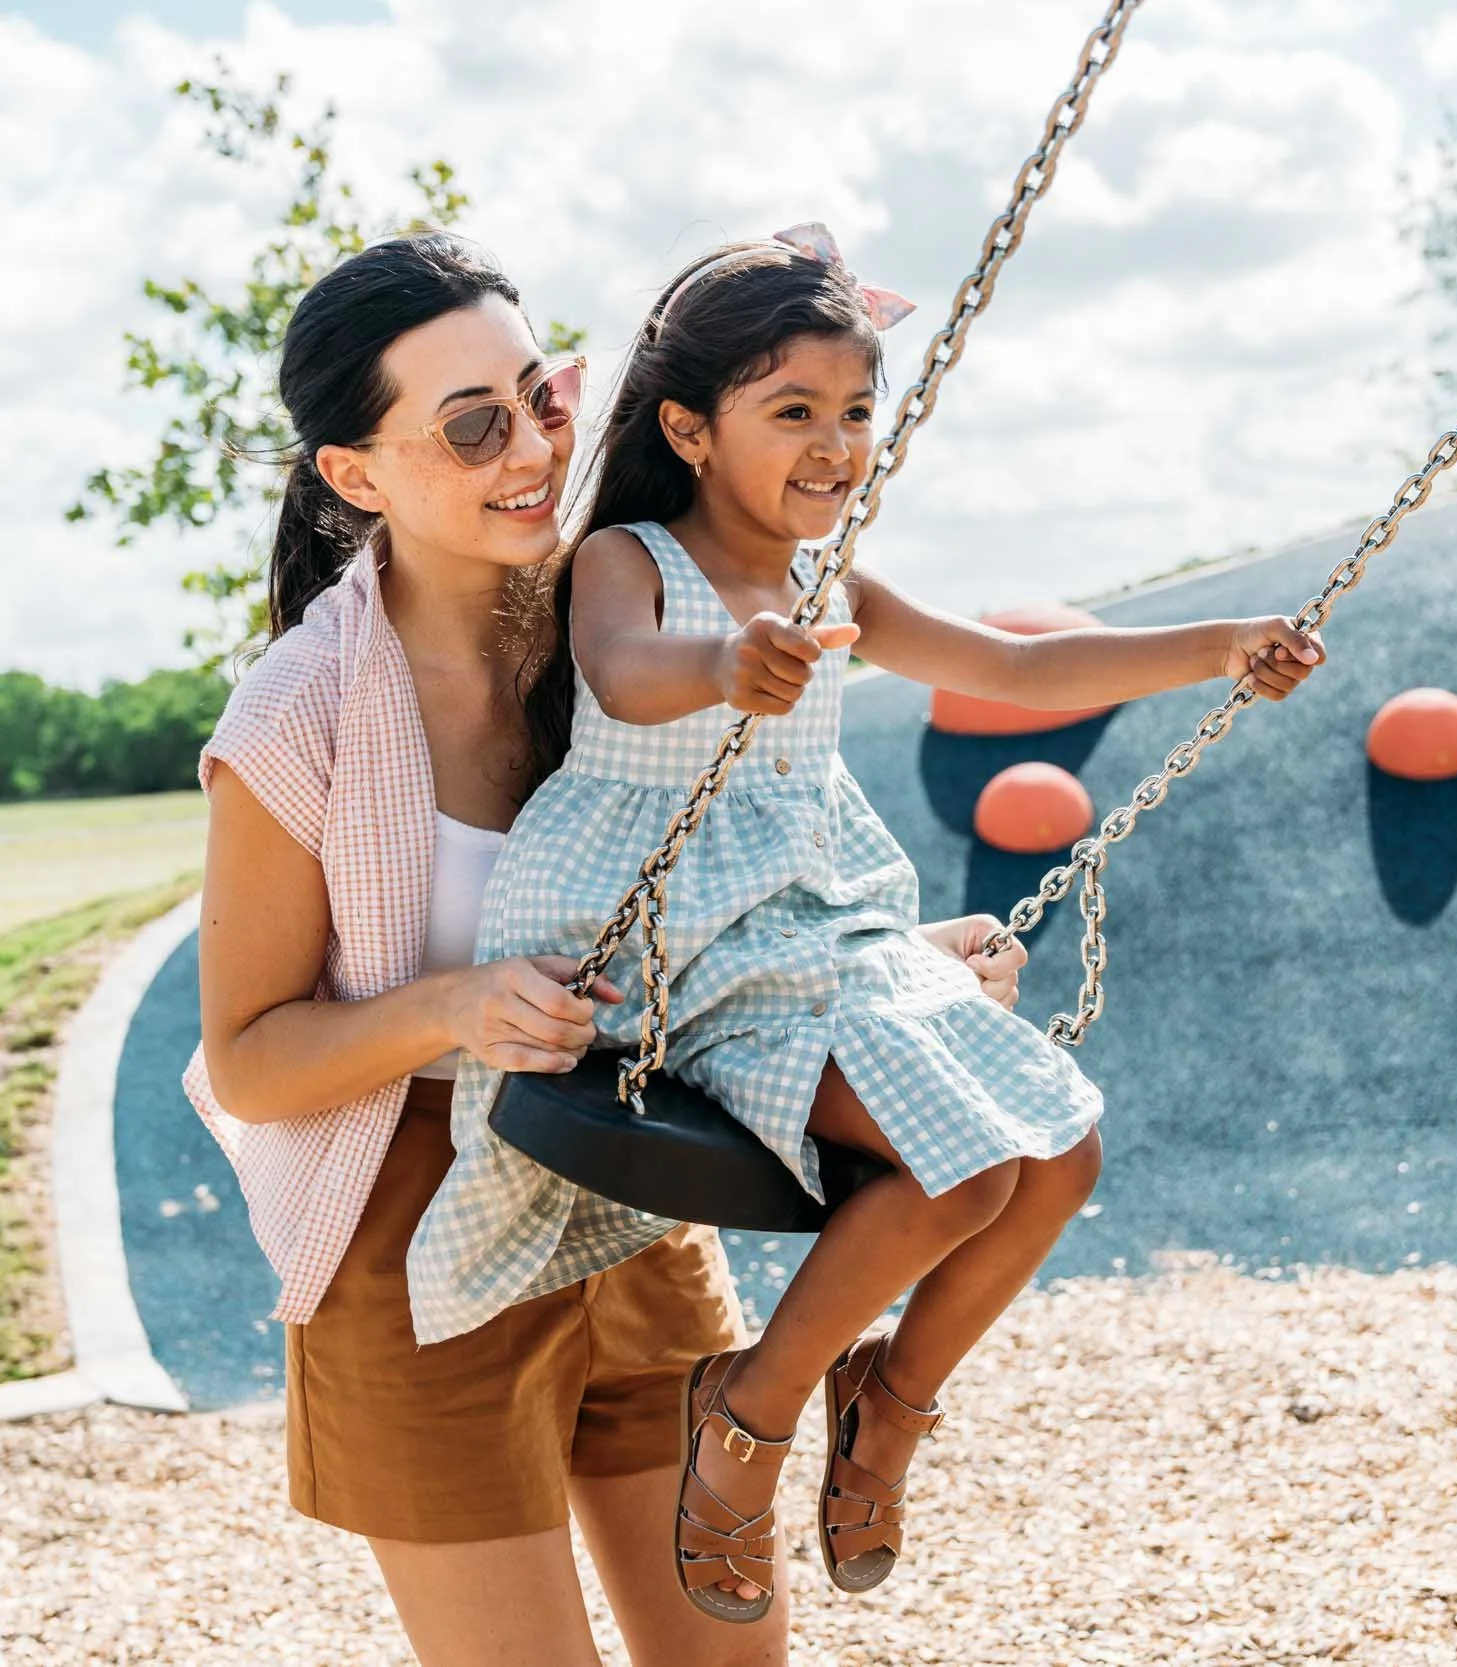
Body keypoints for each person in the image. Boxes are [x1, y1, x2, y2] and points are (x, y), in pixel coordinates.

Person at [410, 224, 1327, 1624]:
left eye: (856, 412)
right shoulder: (631, 560)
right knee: (959, 1169)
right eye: (794, 412)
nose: (836, 444)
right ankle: (749, 1418)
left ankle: (888, 1402)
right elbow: (626, 673)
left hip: (816, 934)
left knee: (1061, 1150)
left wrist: (1213, 644)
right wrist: (731, 659)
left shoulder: (835, 584)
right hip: (674, 940)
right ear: (688, 429)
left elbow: (1021, 664)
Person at [183, 229, 1030, 1666]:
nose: (530, 448)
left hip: (625, 1191)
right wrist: (451, 1006)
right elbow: (253, 1061)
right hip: (413, 1248)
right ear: (354, 473)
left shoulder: (627, 608)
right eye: (472, 425)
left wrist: (893, 956)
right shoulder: (296, 723)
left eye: (544, 394)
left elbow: (760, 872)